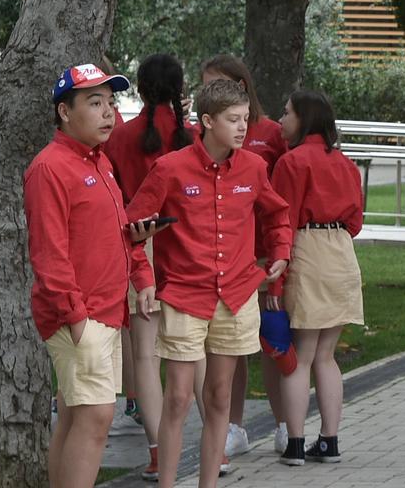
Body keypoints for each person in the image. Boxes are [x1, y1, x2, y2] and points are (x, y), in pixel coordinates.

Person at [126, 78, 291, 488]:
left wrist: (281, 252)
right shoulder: (170, 168)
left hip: (236, 294)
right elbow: (131, 230)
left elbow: (277, 215)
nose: (242, 127)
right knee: (179, 398)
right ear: (207, 121)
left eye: (245, 118)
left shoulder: (254, 168)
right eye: (233, 119)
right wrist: (144, 279)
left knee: (219, 396)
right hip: (185, 295)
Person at [26, 64, 158, 488]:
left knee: (75, 414)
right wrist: (76, 318)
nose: (108, 113)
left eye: (111, 103)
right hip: (79, 316)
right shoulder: (50, 168)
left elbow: (119, 232)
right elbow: (49, 254)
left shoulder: (101, 163)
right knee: (97, 416)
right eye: (95, 103)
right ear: (65, 112)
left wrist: (141, 276)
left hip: (106, 311)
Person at [104, 53, 194, 481]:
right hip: (187, 248)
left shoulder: (120, 137)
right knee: (194, 352)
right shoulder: (193, 136)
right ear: (181, 90)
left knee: (145, 354)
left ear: (140, 90)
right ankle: (215, 446)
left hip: (138, 244)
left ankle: (157, 450)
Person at [197, 54, 287, 456]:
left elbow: (280, 199)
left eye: (215, 84)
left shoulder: (269, 134)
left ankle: (286, 423)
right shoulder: (200, 138)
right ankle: (233, 426)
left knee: (274, 338)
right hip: (223, 262)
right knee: (228, 349)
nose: (207, 92)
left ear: (241, 86)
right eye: (204, 86)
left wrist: (281, 251)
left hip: (263, 259)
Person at [269, 89, 365, 465]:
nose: (281, 119)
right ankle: (329, 440)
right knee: (326, 356)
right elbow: (355, 222)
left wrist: (275, 282)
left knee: (301, 357)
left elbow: (283, 221)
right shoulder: (345, 163)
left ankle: (295, 443)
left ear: (304, 118)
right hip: (341, 251)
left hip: (306, 248)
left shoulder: (291, 163)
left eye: (287, 112)